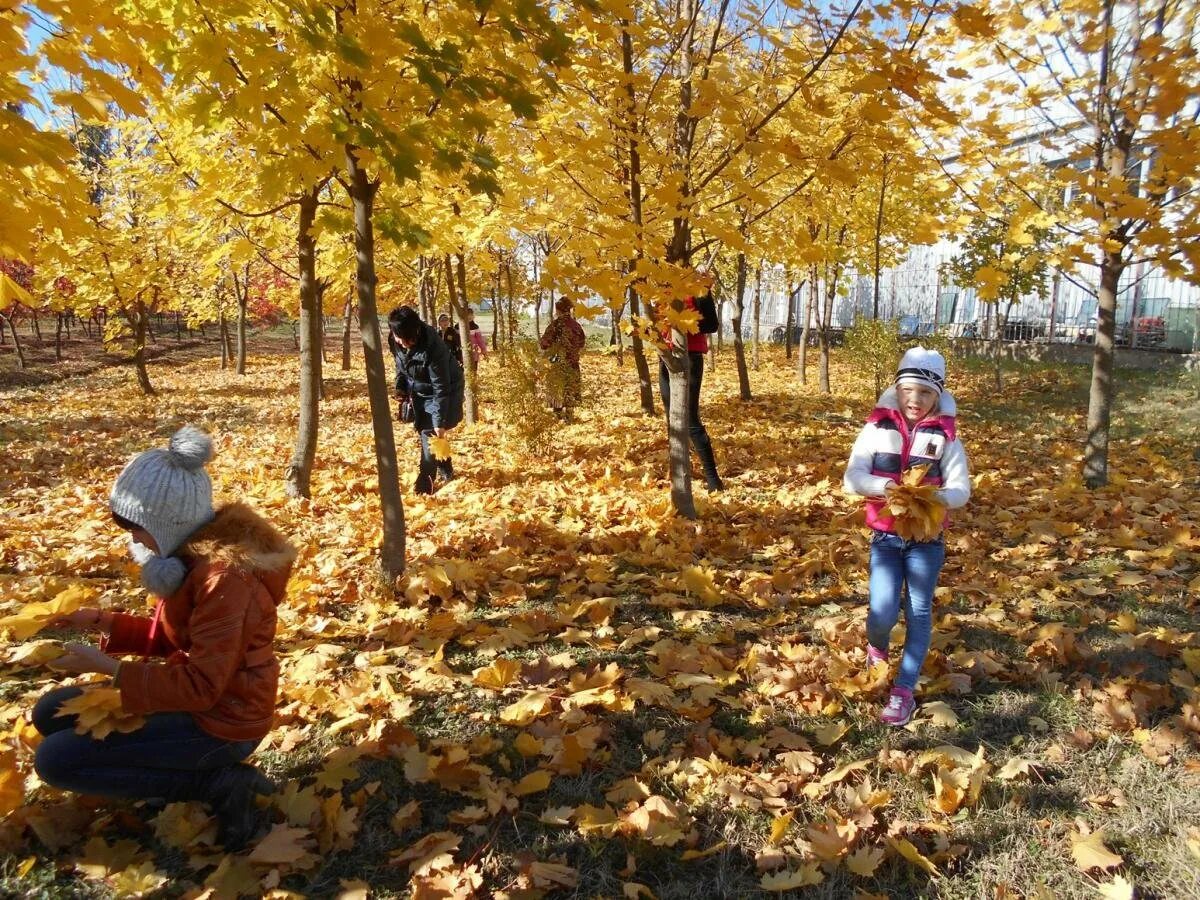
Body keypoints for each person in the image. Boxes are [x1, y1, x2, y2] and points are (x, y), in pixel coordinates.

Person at [32, 426, 295, 850]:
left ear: (169, 521)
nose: (133, 538)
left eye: (138, 527)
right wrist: (102, 620)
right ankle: (167, 771)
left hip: (224, 721)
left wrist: (109, 669)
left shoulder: (225, 579)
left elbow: (203, 686)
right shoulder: (191, 558)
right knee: (52, 712)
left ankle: (218, 782)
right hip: (198, 700)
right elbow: (176, 638)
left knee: (56, 760)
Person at [843, 347, 971, 727]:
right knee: (881, 611)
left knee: (918, 611)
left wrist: (928, 497)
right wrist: (888, 488)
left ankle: (904, 691)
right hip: (885, 539)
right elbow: (852, 478)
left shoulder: (946, 438)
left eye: (926, 393)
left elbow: (961, 490)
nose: (915, 400)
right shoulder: (876, 429)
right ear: (896, 389)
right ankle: (877, 647)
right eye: (908, 390)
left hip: (927, 542)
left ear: (938, 396)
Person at [389, 306, 465, 494]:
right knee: (427, 431)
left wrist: (439, 421)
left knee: (430, 433)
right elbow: (400, 365)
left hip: (444, 390)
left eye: (410, 340)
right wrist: (400, 386)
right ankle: (445, 464)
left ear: (416, 330)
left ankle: (425, 485)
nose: (405, 344)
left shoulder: (434, 346)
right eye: (401, 339)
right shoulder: (395, 340)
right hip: (419, 389)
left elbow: (441, 387)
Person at [658, 272, 723, 491]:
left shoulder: (697, 286)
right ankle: (680, 475)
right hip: (666, 358)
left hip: (690, 358)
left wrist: (682, 323)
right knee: (672, 419)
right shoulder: (659, 287)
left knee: (690, 420)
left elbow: (712, 324)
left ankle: (714, 481)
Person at [539, 297, 586, 420]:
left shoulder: (555, 325)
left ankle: (558, 416)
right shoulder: (576, 326)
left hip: (557, 362)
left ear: (558, 310)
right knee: (570, 388)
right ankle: (569, 417)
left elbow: (544, 343)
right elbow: (582, 343)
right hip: (573, 362)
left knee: (557, 389)